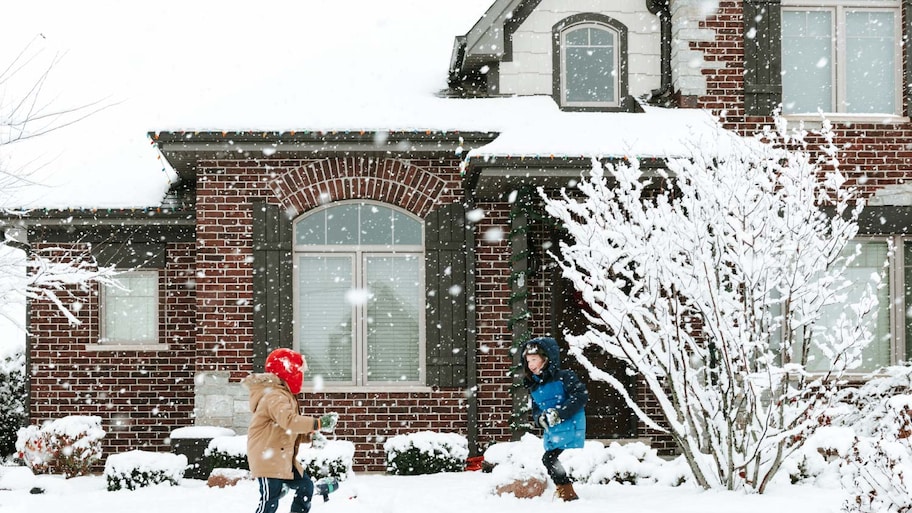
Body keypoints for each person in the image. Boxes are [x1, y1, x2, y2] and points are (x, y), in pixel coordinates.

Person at [243, 348, 338, 513]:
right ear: (288, 372)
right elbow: (289, 421)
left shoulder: (283, 394)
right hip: (268, 459)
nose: (301, 376)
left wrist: (309, 437)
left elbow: (286, 430)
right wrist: (319, 423)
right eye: (299, 371)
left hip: (281, 459)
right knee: (269, 501)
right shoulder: (275, 396)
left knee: (306, 487)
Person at [521, 336, 588, 501]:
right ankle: (566, 491)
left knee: (549, 459)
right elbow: (536, 409)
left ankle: (568, 493)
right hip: (554, 429)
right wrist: (540, 419)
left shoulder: (564, 376)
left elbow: (580, 395)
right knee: (549, 459)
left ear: (546, 359)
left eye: (534, 360)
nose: (530, 365)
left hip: (569, 423)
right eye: (528, 361)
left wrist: (560, 413)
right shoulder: (535, 385)